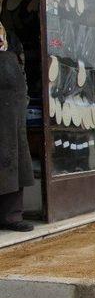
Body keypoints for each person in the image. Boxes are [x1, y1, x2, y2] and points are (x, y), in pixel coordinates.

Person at [0, 22, 34, 232]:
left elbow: (20, 72)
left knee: (16, 163)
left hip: (13, 114)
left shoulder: (11, 37)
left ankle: (11, 216)